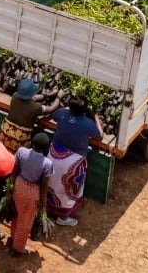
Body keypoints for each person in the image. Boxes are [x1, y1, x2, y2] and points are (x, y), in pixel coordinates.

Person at [45, 95, 104, 227]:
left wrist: (69, 109)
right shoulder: (88, 124)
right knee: (69, 189)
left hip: (54, 155)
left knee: (51, 183)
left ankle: (47, 208)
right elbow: (100, 136)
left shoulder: (61, 114)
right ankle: (63, 217)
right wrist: (95, 117)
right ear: (84, 110)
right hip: (72, 163)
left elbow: (56, 114)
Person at [8, 131, 53, 256]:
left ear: (32, 142)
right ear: (45, 147)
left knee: (16, 214)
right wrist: (43, 206)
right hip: (32, 193)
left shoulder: (22, 151)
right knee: (26, 222)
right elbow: (44, 187)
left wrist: (10, 189)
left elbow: (14, 171)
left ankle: (12, 238)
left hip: (19, 185)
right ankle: (17, 249)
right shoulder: (47, 163)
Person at [0, 78, 58, 153]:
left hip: (5, 130)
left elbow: (34, 98)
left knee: (0, 151)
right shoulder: (36, 107)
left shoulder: (15, 96)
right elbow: (51, 108)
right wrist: (58, 97)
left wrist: (45, 95)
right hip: (19, 137)